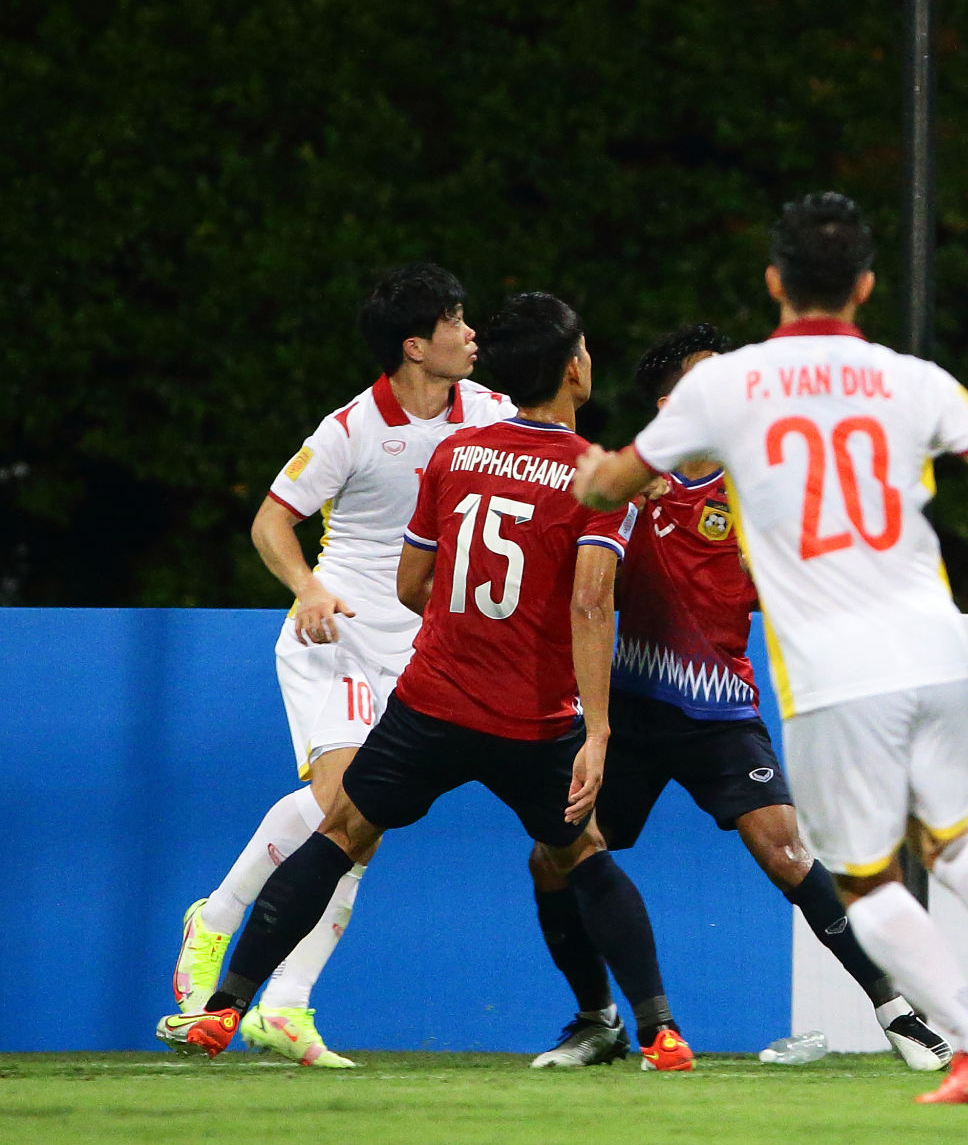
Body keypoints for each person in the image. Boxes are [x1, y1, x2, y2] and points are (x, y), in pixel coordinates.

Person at [572, 192, 968, 1104]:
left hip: (837, 670)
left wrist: (593, 474)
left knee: (866, 883)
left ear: (776, 281)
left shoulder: (722, 387)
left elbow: (612, 482)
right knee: (955, 840)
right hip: (935, 650)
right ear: (865, 285)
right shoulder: (913, 380)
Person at [158, 294, 694, 1072]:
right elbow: (588, 601)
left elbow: (416, 584)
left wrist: (461, 624)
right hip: (499, 700)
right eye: (454, 321)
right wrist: (597, 726)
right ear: (574, 368)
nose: (468, 333)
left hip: (433, 688)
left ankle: (230, 1007)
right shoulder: (579, 471)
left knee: (342, 831)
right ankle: (660, 1030)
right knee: (583, 852)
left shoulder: (461, 440)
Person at [526, 324, 948, 1073]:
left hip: (721, 712)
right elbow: (568, 574)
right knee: (551, 859)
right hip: (630, 708)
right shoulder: (622, 482)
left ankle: (898, 1011)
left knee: (784, 848)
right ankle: (597, 1021)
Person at [164, 264, 513, 1067]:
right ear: (415, 346)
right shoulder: (350, 428)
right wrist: (308, 586)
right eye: (457, 322)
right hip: (340, 636)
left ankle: (280, 997)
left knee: (363, 827)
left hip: (424, 650)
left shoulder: (490, 414)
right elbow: (270, 523)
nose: (471, 334)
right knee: (348, 809)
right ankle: (222, 926)